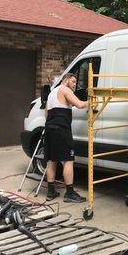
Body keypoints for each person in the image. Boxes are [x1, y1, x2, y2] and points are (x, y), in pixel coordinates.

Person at [44, 73, 87, 202]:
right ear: (66, 80)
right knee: (68, 160)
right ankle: (69, 193)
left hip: (50, 129)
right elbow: (79, 104)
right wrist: (91, 102)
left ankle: (50, 192)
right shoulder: (65, 89)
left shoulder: (52, 92)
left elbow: (46, 114)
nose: (74, 85)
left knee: (52, 160)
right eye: (73, 82)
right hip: (61, 130)